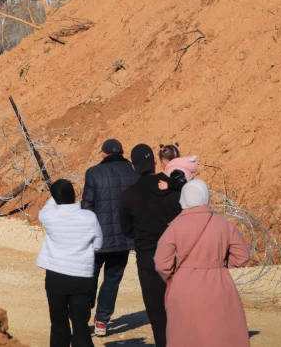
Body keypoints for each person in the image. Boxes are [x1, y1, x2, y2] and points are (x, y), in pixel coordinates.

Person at [154, 180, 250, 347]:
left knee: (186, 335)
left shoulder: (175, 226)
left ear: (183, 198)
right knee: (220, 334)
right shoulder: (223, 224)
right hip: (219, 283)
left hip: (184, 284)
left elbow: (161, 262)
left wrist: (172, 277)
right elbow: (242, 255)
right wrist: (218, 264)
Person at [120, 144, 183, 347]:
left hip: (148, 258)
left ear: (133, 166)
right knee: (182, 309)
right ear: (155, 161)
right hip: (177, 254)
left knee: (157, 312)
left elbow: (127, 230)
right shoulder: (175, 186)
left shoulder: (130, 195)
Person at [81, 138, 139, 337]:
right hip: (124, 238)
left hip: (97, 239)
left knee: (90, 277)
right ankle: (101, 322)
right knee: (112, 281)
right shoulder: (134, 173)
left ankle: (82, 318)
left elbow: (87, 207)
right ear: (122, 152)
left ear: (104, 153)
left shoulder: (94, 173)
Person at [37, 179, 102, 347]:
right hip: (82, 277)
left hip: (56, 277)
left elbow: (49, 206)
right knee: (80, 324)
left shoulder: (48, 216)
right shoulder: (89, 217)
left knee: (58, 323)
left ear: (54, 198)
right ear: (74, 196)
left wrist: (55, 194)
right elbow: (98, 244)